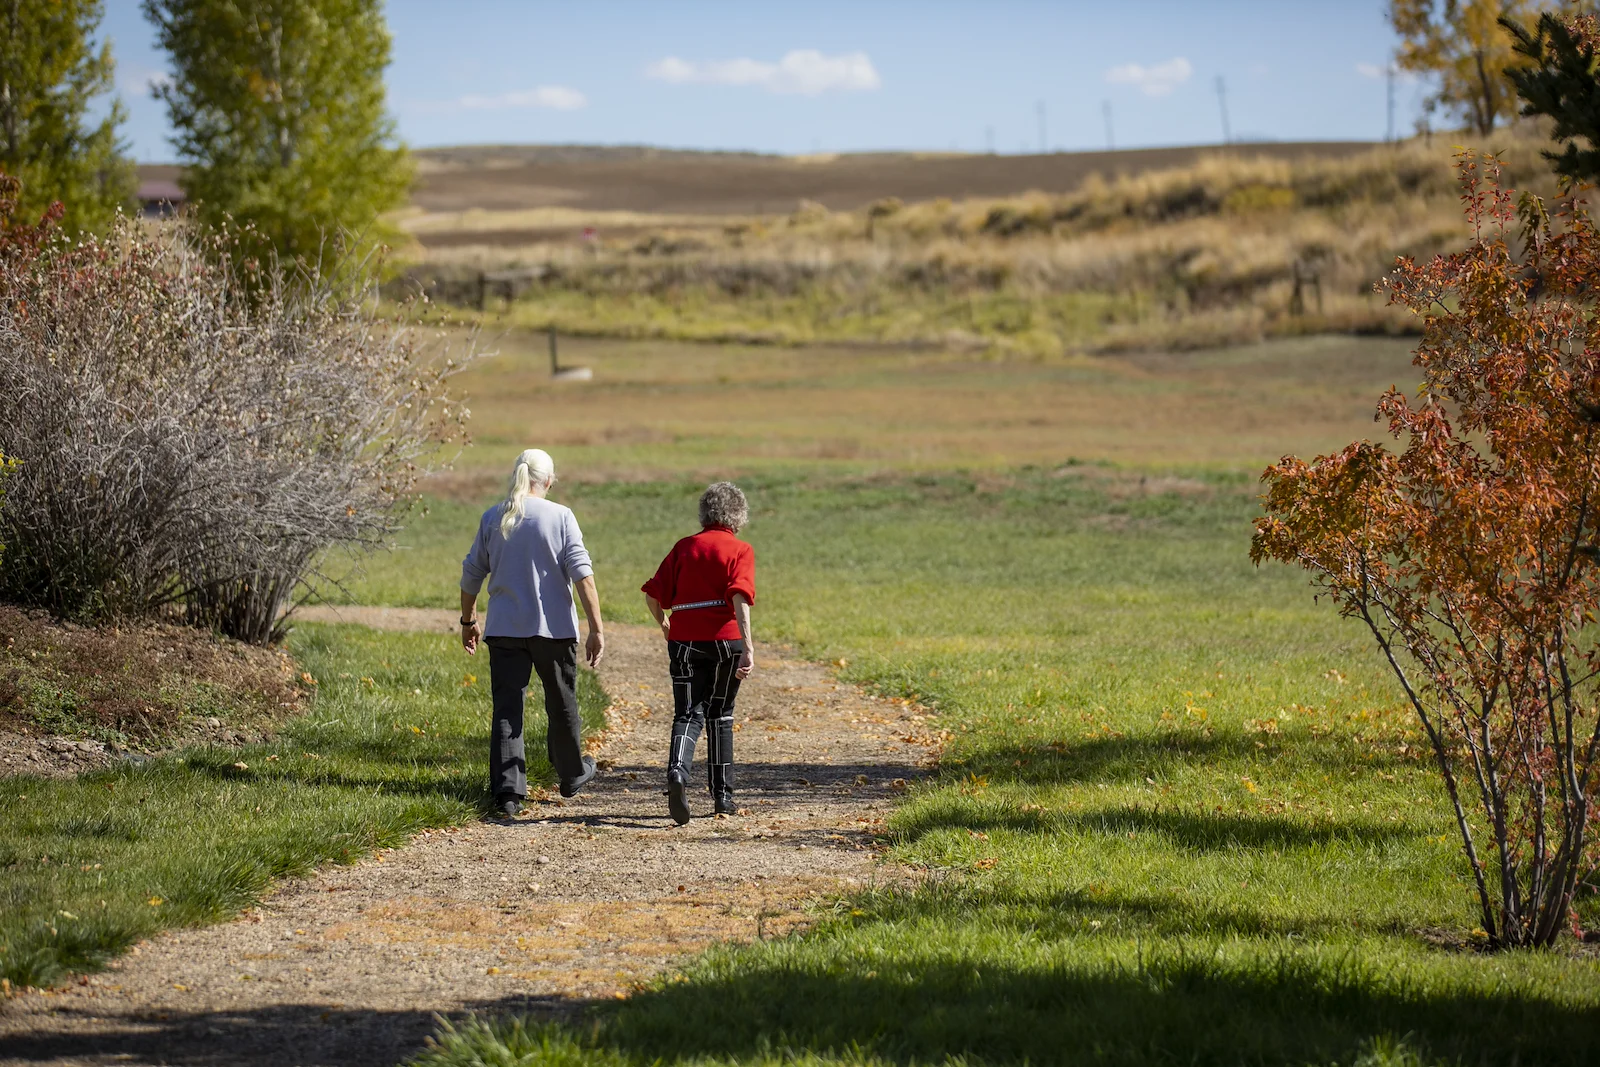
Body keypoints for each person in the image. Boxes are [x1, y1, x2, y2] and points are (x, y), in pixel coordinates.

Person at [460, 448, 604, 817]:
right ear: (549, 481)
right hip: (553, 630)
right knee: (561, 702)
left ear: (516, 475)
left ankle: (508, 793)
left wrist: (468, 620)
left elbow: (472, 573)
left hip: (505, 629)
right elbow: (583, 575)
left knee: (507, 708)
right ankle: (571, 773)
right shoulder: (560, 516)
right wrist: (596, 628)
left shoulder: (493, 517)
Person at [641, 482, 755, 825]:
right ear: (738, 515)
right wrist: (748, 646)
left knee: (687, 713)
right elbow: (740, 597)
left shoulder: (684, 547)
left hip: (685, 640)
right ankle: (723, 797)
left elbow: (652, 596)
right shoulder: (740, 550)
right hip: (726, 641)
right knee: (720, 713)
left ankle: (677, 772)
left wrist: (665, 625)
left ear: (705, 513)